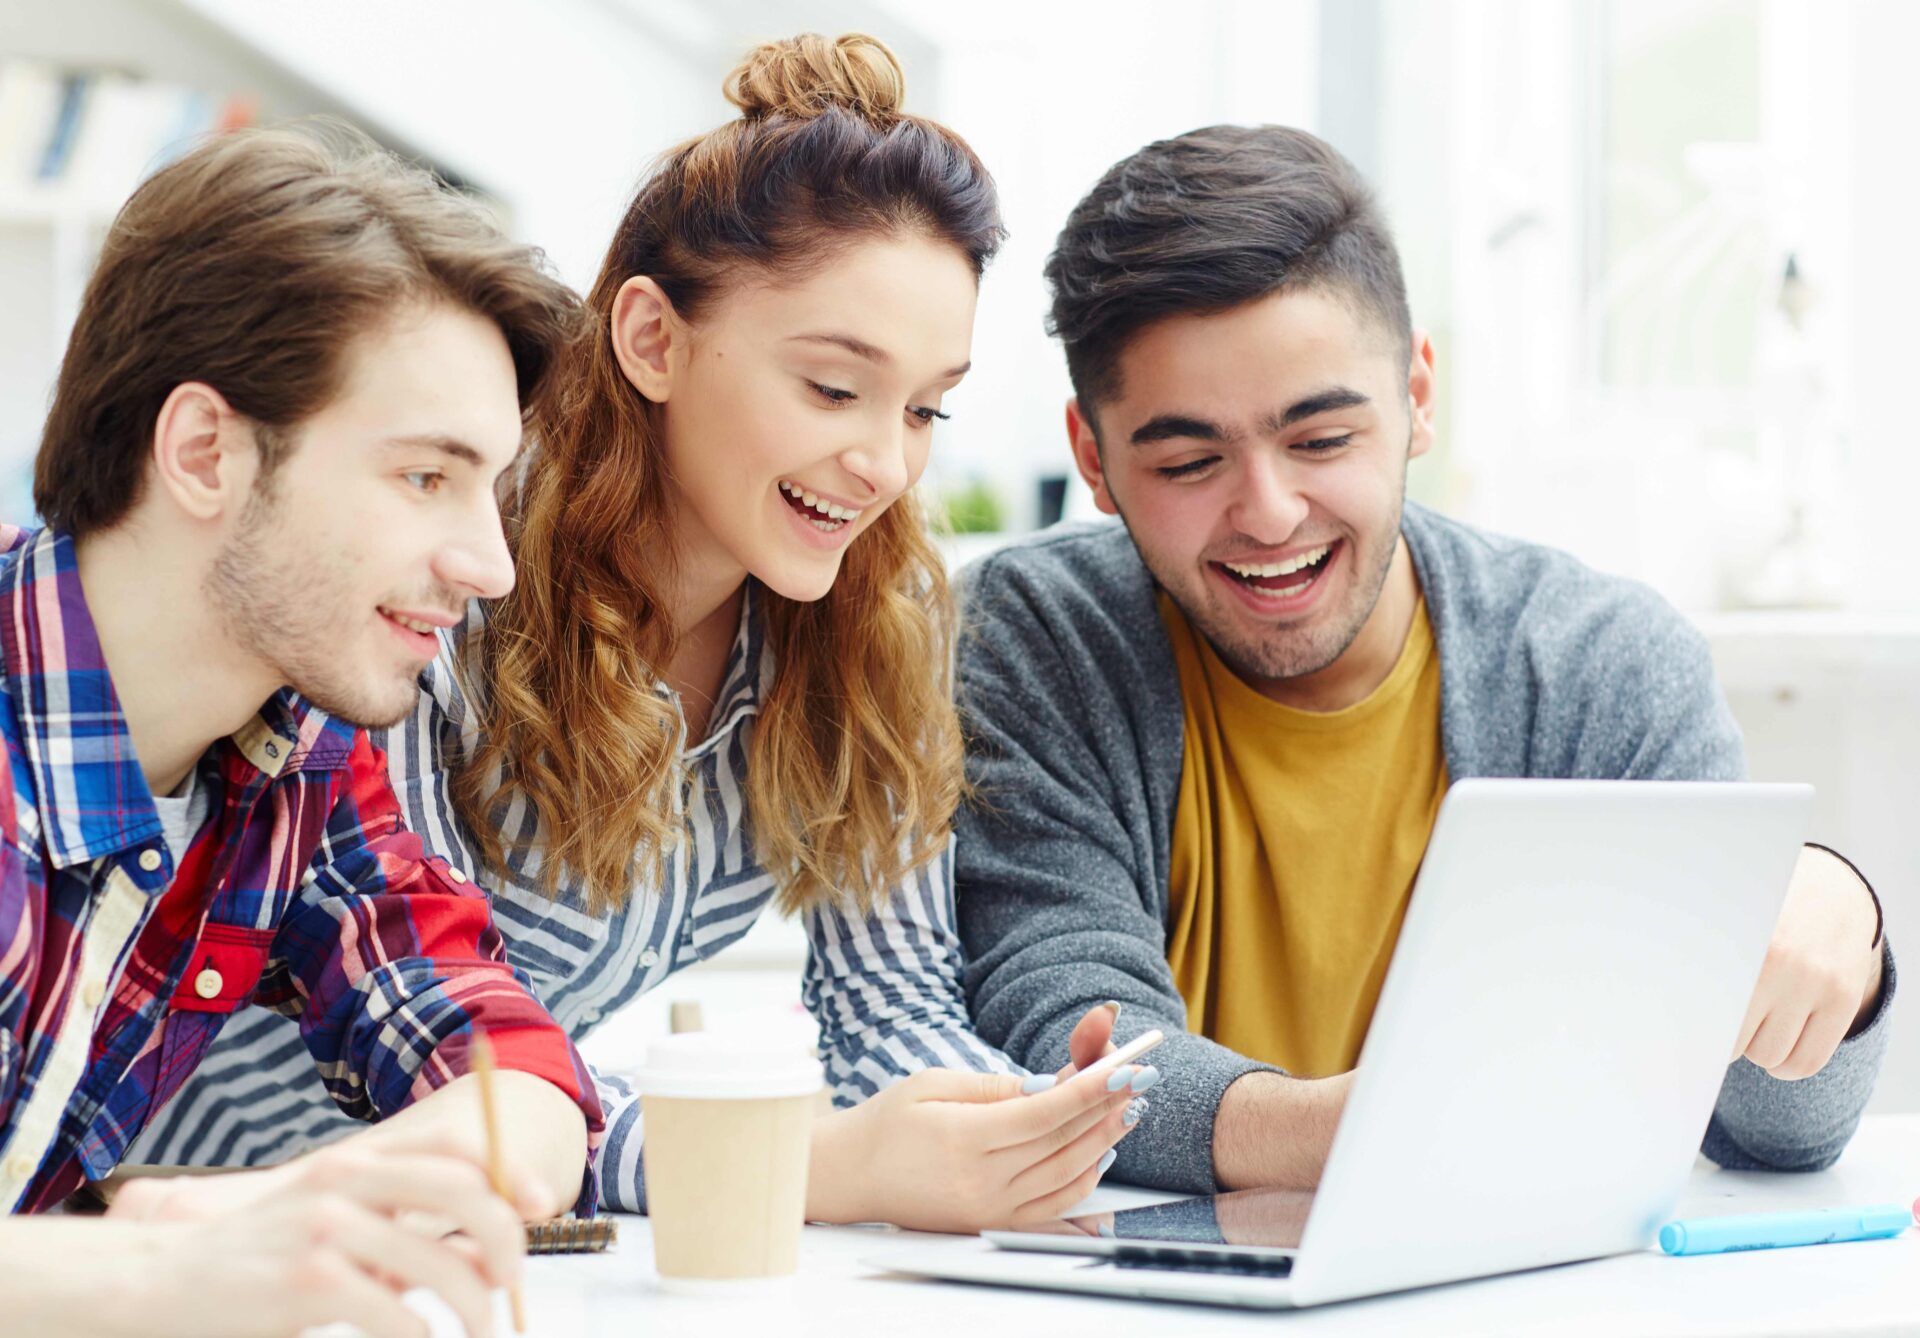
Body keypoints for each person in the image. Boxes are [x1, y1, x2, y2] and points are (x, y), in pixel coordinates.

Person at [137, 34, 1150, 1233]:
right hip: (182, 1199)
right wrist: (808, 1163)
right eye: (834, 389)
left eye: (926, 407)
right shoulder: (448, 575)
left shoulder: (869, 618)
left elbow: (890, 1004)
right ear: (652, 340)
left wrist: (1015, 1129)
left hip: (489, 1213)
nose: (884, 463)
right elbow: (418, 1044)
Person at [952, 124, 1895, 1196]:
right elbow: (1062, 1039)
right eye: (1187, 460)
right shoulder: (1032, 641)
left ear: (1418, 400)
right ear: (1095, 460)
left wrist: (1840, 930)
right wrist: (1380, 1127)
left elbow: (1774, 1133)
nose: (1268, 513)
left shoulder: (1599, 662)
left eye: (1321, 441)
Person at [0, 122, 606, 1337]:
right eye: (427, 477)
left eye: (491, 488)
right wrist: (170, 1272)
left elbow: (518, 1077)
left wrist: (314, 1210)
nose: (490, 566)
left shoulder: (293, 764)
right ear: (204, 452)